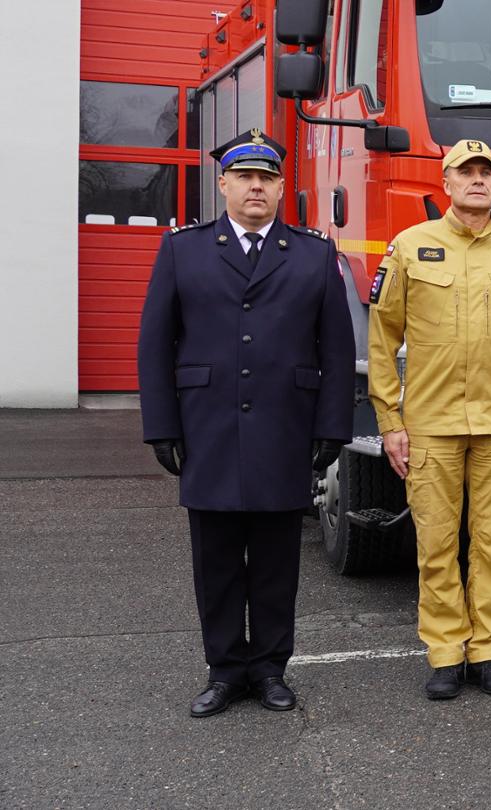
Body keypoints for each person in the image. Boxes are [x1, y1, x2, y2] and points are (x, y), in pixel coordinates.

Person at [136, 129, 353, 716]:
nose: (256, 187)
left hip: (286, 428)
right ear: (224, 184)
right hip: (205, 427)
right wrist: (161, 426)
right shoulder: (184, 249)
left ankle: (271, 670)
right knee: (217, 561)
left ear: (282, 188)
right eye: (245, 177)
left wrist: (332, 425)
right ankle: (226, 670)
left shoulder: (313, 252)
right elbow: (156, 343)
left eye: (268, 178)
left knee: (279, 560)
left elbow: (335, 349)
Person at [367, 139, 491, 698]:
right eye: (465, 172)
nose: (477, 180)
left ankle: (488, 650)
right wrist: (390, 421)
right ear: (445, 183)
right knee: (435, 544)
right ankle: (446, 652)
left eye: (486, 172)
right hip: (430, 422)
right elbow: (383, 340)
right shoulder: (410, 246)